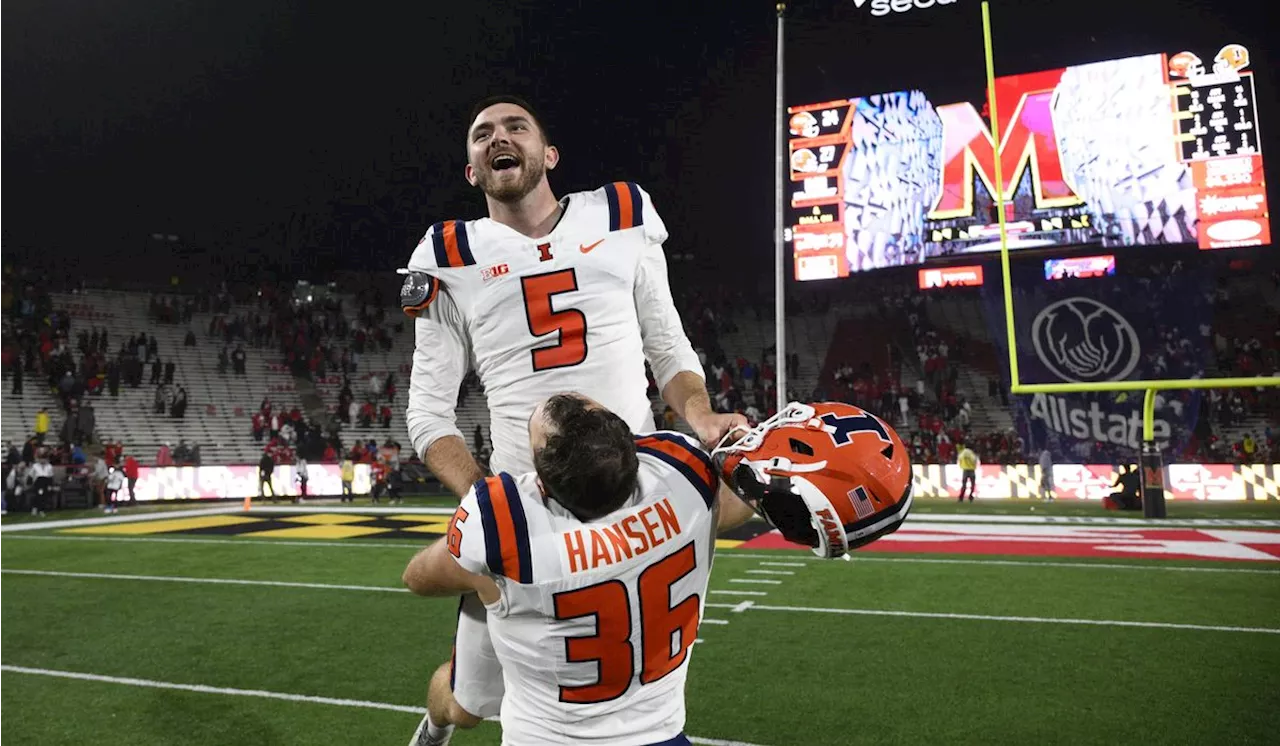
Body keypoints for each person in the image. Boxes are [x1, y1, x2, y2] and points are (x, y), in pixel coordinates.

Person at [401, 96, 748, 745]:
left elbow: (667, 344)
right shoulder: (448, 253)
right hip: (523, 518)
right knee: (472, 703)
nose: (498, 138)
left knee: (637, 681)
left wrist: (699, 416)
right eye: (482, 134)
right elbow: (427, 409)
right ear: (472, 170)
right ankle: (435, 723)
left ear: (549, 153)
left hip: (634, 499)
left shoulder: (619, 214)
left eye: (515, 127)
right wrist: (488, 504)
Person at [403, 394, 755, 745]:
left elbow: (418, 578)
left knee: (463, 700)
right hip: (660, 734)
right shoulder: (684, 477)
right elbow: (734, 508)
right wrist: (744, 452)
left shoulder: (506, 526)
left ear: (540, 483)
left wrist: (485, 569)